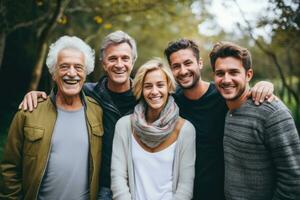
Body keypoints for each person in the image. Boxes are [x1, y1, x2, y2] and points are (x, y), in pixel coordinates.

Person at [19, 33, 274, 199]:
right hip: (107, 188)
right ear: (103, 63)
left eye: (125, 58)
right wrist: (41, 94)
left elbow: (238, 90)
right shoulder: (90, 94)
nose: (119, 64)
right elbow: (67, 86)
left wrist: (263, 88)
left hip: (207, 191)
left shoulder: (204, 99)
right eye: (113, 59)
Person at [164, 39, 275, 200]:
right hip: (184, 193)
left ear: (200, 63)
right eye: (176, 66)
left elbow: (245, 95)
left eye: (188, 63)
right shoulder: (171, 102)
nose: (183, 70)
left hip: (225, 193)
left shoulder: (223, 95)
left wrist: (265, 85)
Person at [0, 36, 104, 200]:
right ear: (53, 73)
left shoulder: (98, 111)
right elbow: (9, 168)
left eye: (78, 67)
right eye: (64, 67)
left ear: (85, 73)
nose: (71, 73)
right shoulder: (29, 112)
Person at [209, 41, 300, 200]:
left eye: (234, 72)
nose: (226, 79)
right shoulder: (224, 107)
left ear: (248, 75)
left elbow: (293, 180)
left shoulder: (272, 113)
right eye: (220, 73)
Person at [111, 58, 196, 200]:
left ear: (168, 87)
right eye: (148, 86)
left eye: (160, 85)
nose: (154, 91)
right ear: (141, 89)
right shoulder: (124, 126)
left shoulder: (185, 130)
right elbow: (118, 177)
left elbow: (185, 186)